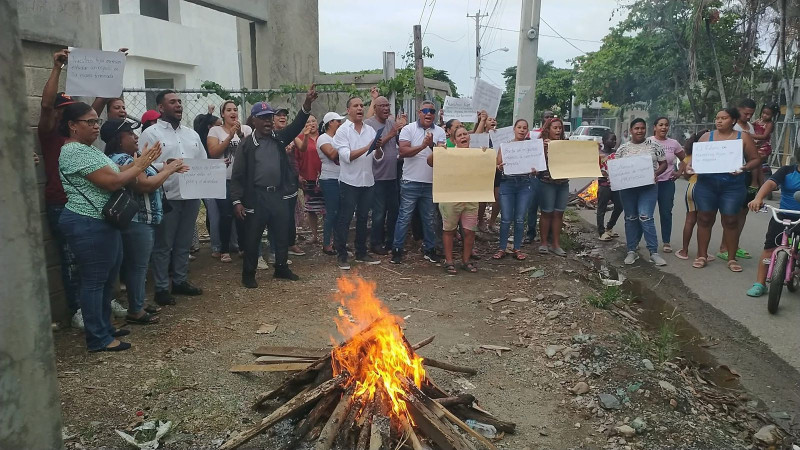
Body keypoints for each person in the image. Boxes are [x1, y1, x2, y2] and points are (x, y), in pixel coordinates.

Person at [58, 102, 160, 351]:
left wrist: (141, 164)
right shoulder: (74, 152)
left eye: (97, 122)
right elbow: (113, 182)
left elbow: (117, 169)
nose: (95, 127)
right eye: (89, 122)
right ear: (72, 126)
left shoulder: (89, 149)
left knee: (105, 281)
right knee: (94, 281)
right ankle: (98, 338)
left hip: (102, 221)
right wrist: (140, 165)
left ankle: (106, 326)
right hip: (87, 222)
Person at [39, 48, 120, 329]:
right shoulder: (51, 134)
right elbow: (47, 107)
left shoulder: (82, 133)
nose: (90, 122)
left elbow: (96, 105)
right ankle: (79, 311)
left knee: (98, 265)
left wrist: (113, 65)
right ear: (68, 120)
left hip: (93, 207)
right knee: (74, 262)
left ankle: (96, 312)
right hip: (63, 203)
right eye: (67, 110)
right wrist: (57, 68)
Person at [102, 119, 186, 324]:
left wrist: (163, 166)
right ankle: (136, 310)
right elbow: (144, 185)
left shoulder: (133, 158)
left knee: (138, 265)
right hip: (136, 220)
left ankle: (137, 302)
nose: (135, 136)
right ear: (118, 139)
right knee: (137, 266)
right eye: (130, 134)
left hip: (143, 220)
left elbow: (147, 175)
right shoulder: (120, 159)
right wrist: (169, 170)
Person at [232, 85, 317, 287]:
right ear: (254, 120)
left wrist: (307, 103)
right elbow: (237, 176)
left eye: (270, 117)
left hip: (277, 195)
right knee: (253, 237)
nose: (268, 121)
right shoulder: (247, 144)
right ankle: (249, 274)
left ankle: (281, 268)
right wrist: (237, 201)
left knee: (281, 233)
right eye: (263, 117)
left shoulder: (278, 138)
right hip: (256, 197)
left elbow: (296, 125)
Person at [139, 90, 207, 305]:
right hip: (166, 196)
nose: (178, 105)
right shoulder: (151, 134)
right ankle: (160, 288)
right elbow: (141, 166)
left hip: (191, 194)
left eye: (179, 102)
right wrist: (165, 166)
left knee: (184, 242)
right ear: (161, 107)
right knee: (163, 244)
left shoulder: (192, 134)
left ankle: (180, 281)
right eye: (172, 102)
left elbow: (202, 161)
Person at [689, 107, 760, 271]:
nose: (719, 121)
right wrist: (690, 167)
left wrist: (744, 167)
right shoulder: (707, 137)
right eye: (717, 118)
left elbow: (755, 159)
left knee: (731, 220)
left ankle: (731, 258)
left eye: (724, 118)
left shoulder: (743, 137)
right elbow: (695, 160)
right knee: (704, 218)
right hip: (706, 185)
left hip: (732, 186)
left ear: (733, 120)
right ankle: (702, 255)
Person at [391, 101, 446, 264]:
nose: (428, 114)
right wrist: (423, 146)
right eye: (425, 111)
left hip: (430, 183)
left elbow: (442, 155)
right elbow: (403, 152)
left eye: (432, 111)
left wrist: (433, 145)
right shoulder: (409, 129)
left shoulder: (440, 131)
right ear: (419, 112)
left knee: (429, 218)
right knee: (404, 217)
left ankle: (429, 249)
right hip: (411, 182)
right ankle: (397, 250)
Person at [332, 97, 385, 269]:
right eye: (356, 106)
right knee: (345, 218)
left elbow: (378, 157)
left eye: (362, 105)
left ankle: (361, 252)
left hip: (367, 181)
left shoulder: (370, 130)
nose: (360, 108)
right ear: (348, 110)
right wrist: (368, 147)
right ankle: (341, 255)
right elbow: (346, 157)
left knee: (363, 218)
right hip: (349, 182)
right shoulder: (343, 131)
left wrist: (377, 148)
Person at [614, 119, 668, 266]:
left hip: (648, 187)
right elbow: (616, 167)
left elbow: (664, 163)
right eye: (636, 128)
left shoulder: (654, 145)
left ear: (646, 130)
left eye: (642, 128)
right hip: (628, 189)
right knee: (630, 218)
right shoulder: (623, 149)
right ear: (631, 130)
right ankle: (631, 251)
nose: (640, 131)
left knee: (646, 217)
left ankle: (653, 252)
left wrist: (657, 173)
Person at [428, 125, 480, 274]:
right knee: (449, 230)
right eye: (460, 135)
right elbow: (430, 162)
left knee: (469, 231)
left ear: (469, 137)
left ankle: (466, 261)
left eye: (465, 134)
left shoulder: (477, 154)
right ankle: (449, 261)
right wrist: (438, 151)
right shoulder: (447, 153)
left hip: (471, 198)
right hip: (450, 198)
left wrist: (487, 158)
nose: (463, 137)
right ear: (454, 140)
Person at [207, 101, 251, 263]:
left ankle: (242, 246)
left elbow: (251, 150)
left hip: (241, 180)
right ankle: (223, 249)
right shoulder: (215, 130)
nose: (233, 112)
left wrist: (239, 134)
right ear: (223, 114)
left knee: (242, 214)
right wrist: (230, 137)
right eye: (229, 110)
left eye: (235, 109)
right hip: (223, 179)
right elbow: (213, 152)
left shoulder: (246, 129)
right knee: (225, 214)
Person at [746, 164, 800, 296]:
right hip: (784, 213)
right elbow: (770, 183)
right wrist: (758, 198)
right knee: (770, 248)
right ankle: (760, 284)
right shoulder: (787, 171)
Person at [718, 98, 758, 261]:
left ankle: (734, 245)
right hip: (729, 175)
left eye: (751, 114)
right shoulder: (731, 128)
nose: (748, 116)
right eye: (745, 113)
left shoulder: (750, 128)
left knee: (743, 211)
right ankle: (723, 247)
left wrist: (755, 180)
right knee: (730, 213)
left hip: (745, 172)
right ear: (737, 111)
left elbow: (754, 156)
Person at [366, 96, 406, 255]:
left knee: (394, 210)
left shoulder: (391, 123)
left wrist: (400, 130)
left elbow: (397, 142)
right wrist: (391, 133)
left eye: (387, 105)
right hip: (377, 177)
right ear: (374, 108)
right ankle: (375, 243)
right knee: (379, 212)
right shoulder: (369, 125)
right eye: (381, 106)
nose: (385, 108)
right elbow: (374, 145)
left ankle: (391, 242)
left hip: (393, 175)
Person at [492, 119, 536, 260]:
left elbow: (536, 165)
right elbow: (498, 164)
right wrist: (499, 167)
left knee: (519, 218)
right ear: (514, 129)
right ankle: (502, 248)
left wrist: (535, 170)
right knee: (505, 218)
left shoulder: (531, 147)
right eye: (519, 127)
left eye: (524, 128)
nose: (522, 130)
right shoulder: (506, 146)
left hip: (524, 184)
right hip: (507, 183)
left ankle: (517, 248)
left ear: (527, 130)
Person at [271, 108, 305, 258]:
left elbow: (302, 148)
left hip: (291, 177)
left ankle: (291, 243)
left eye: (285, 115)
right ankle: (278, 246)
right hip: (276, 180)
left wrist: (307, 136)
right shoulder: (269, 135)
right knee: (278, 213)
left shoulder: (291, 134)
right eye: (279, 115)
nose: (283, 117)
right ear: (272, 119)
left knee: (290, 213)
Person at [648, 117, 686, 253]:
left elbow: (684, 159)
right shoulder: (648, 142)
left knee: (666, 213)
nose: (664, 128)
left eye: (666, 125)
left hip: (667, 184)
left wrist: (679, 172)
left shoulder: (674, 143)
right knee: (646, 213)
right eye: (660, 125)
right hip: (650, 184)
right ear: (655, 127)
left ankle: (666, 241)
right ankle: (646, 240)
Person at [537, 117, 570, 256]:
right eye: (554, 128)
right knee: (547, 212)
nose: (557, 130)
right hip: (547, 183)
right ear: (548, 130)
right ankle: (544, 243)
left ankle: (556, 244)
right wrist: (547, 148)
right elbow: (537, 162)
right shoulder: (541, 144)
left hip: (563, 183)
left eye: (559, 128)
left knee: (559, 213)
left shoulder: (566, 144)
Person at [674, 130, 708, 260]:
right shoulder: (714, 155)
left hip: (692, 188)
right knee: (705, 223)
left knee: (690, 220)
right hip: (706, 189)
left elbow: (685, 175)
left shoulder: (690, 156)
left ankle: (684, 251)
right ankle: (702, 254)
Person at [317, 112, 346, 255]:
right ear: (330, 123)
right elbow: (332, 155)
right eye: (337, 122)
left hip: (341, 178)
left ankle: (338, 242)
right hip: (329, 179)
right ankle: (326, 243)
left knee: (341, 212)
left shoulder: (337, 138)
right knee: (332, 212)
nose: (340, 124)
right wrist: (343, 143)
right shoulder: (323, 138)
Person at [294, 115, 324, 245]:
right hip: (308, 177)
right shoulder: (300, 140)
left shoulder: (324, 137)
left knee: (327, 209)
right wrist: (299, 176)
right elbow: (295, 160)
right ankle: (314, 235)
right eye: (308, 122)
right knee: (311, 209)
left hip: (325, 177)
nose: (311, 123)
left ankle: (328, 236)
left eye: (313, 120)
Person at [526, 111, 555, 243]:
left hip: (551, 176)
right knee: (533, 205)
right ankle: (530, 233)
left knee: (548, 207)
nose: (549, 119)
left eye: (551, 117)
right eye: (546, 117)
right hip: (536, 175)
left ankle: (548, 234)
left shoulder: (557, 135)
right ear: (542, 119)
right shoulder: (533, 134)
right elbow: (526, 149)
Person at [597, 130, 623, 241]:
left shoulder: (617, 153)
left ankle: (609, 227)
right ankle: (601, 232)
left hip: (616, 185)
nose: (614, 141)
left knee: (620, 206)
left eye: (615, 139)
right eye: (611, 139)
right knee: (601, 209)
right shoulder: (598, 154)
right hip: (604, 185)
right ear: (604, 141)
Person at [751, 104, 777, 188]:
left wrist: (750, 135)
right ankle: (763, 186)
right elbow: (750, 125)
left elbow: (764, 136)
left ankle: (754, 183)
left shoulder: (769, 124)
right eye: (763, 112)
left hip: (764, 147)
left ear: (772, 115)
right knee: (759, 167)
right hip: (756, 146)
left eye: (767, 114)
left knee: (755, 163)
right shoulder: (758, 121)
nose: (764, 115)